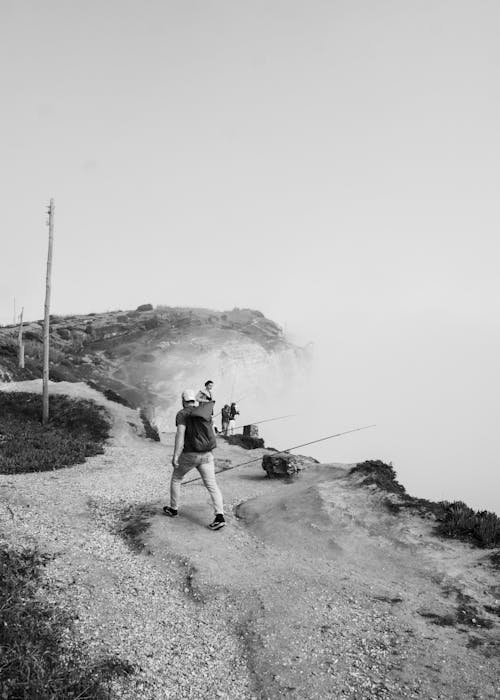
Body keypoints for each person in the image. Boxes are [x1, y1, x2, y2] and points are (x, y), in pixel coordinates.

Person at [163, 389, 225, 530]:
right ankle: (219, 516)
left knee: (176, 479)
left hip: (190, 455)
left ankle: (173, 509)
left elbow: (180, 434)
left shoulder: (182, 414)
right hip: (207, 455)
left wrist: (176, 456)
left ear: (183, 401)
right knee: (212, 485)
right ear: (194, 401)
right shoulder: (202, 412)